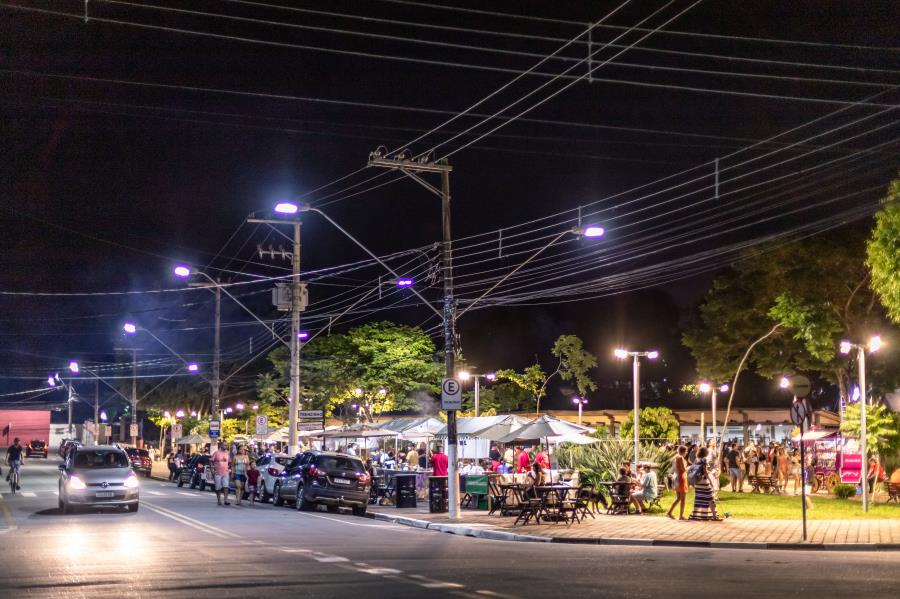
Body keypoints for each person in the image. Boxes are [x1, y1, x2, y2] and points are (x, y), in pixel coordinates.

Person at [689, 447, 721, 521]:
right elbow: (705, 472)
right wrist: (710, 481)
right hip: (703, 481)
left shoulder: (696, 459)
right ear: (705, 452)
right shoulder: (704, 459)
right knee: (710, 497)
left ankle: (695, 514)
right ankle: (714, 516)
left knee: (699, 498)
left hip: (697, 481)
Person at [667, 446, 689, 520]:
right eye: (686, 451)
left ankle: (670, 512)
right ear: (683, 451)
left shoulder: (675, 457)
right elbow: (683, 469)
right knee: (683, 498)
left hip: (676, 476)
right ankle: (681, 515)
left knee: (678, 498)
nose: (686, 453)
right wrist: (689, 468)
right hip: (681, 478)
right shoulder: (680, 458)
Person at [211, 442, 232, 506]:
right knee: (218, 488)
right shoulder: (216, 453)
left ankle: (225, 500)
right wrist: (212, 470)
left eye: (226, 445)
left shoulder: (227, 453)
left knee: (226, 486)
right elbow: (211, 460)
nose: (226, 446)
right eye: (224, 445)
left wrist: (230, 469)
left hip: (225, 472)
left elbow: (230, 462)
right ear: (221, 445)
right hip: (218, 472)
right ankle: (219, 500)